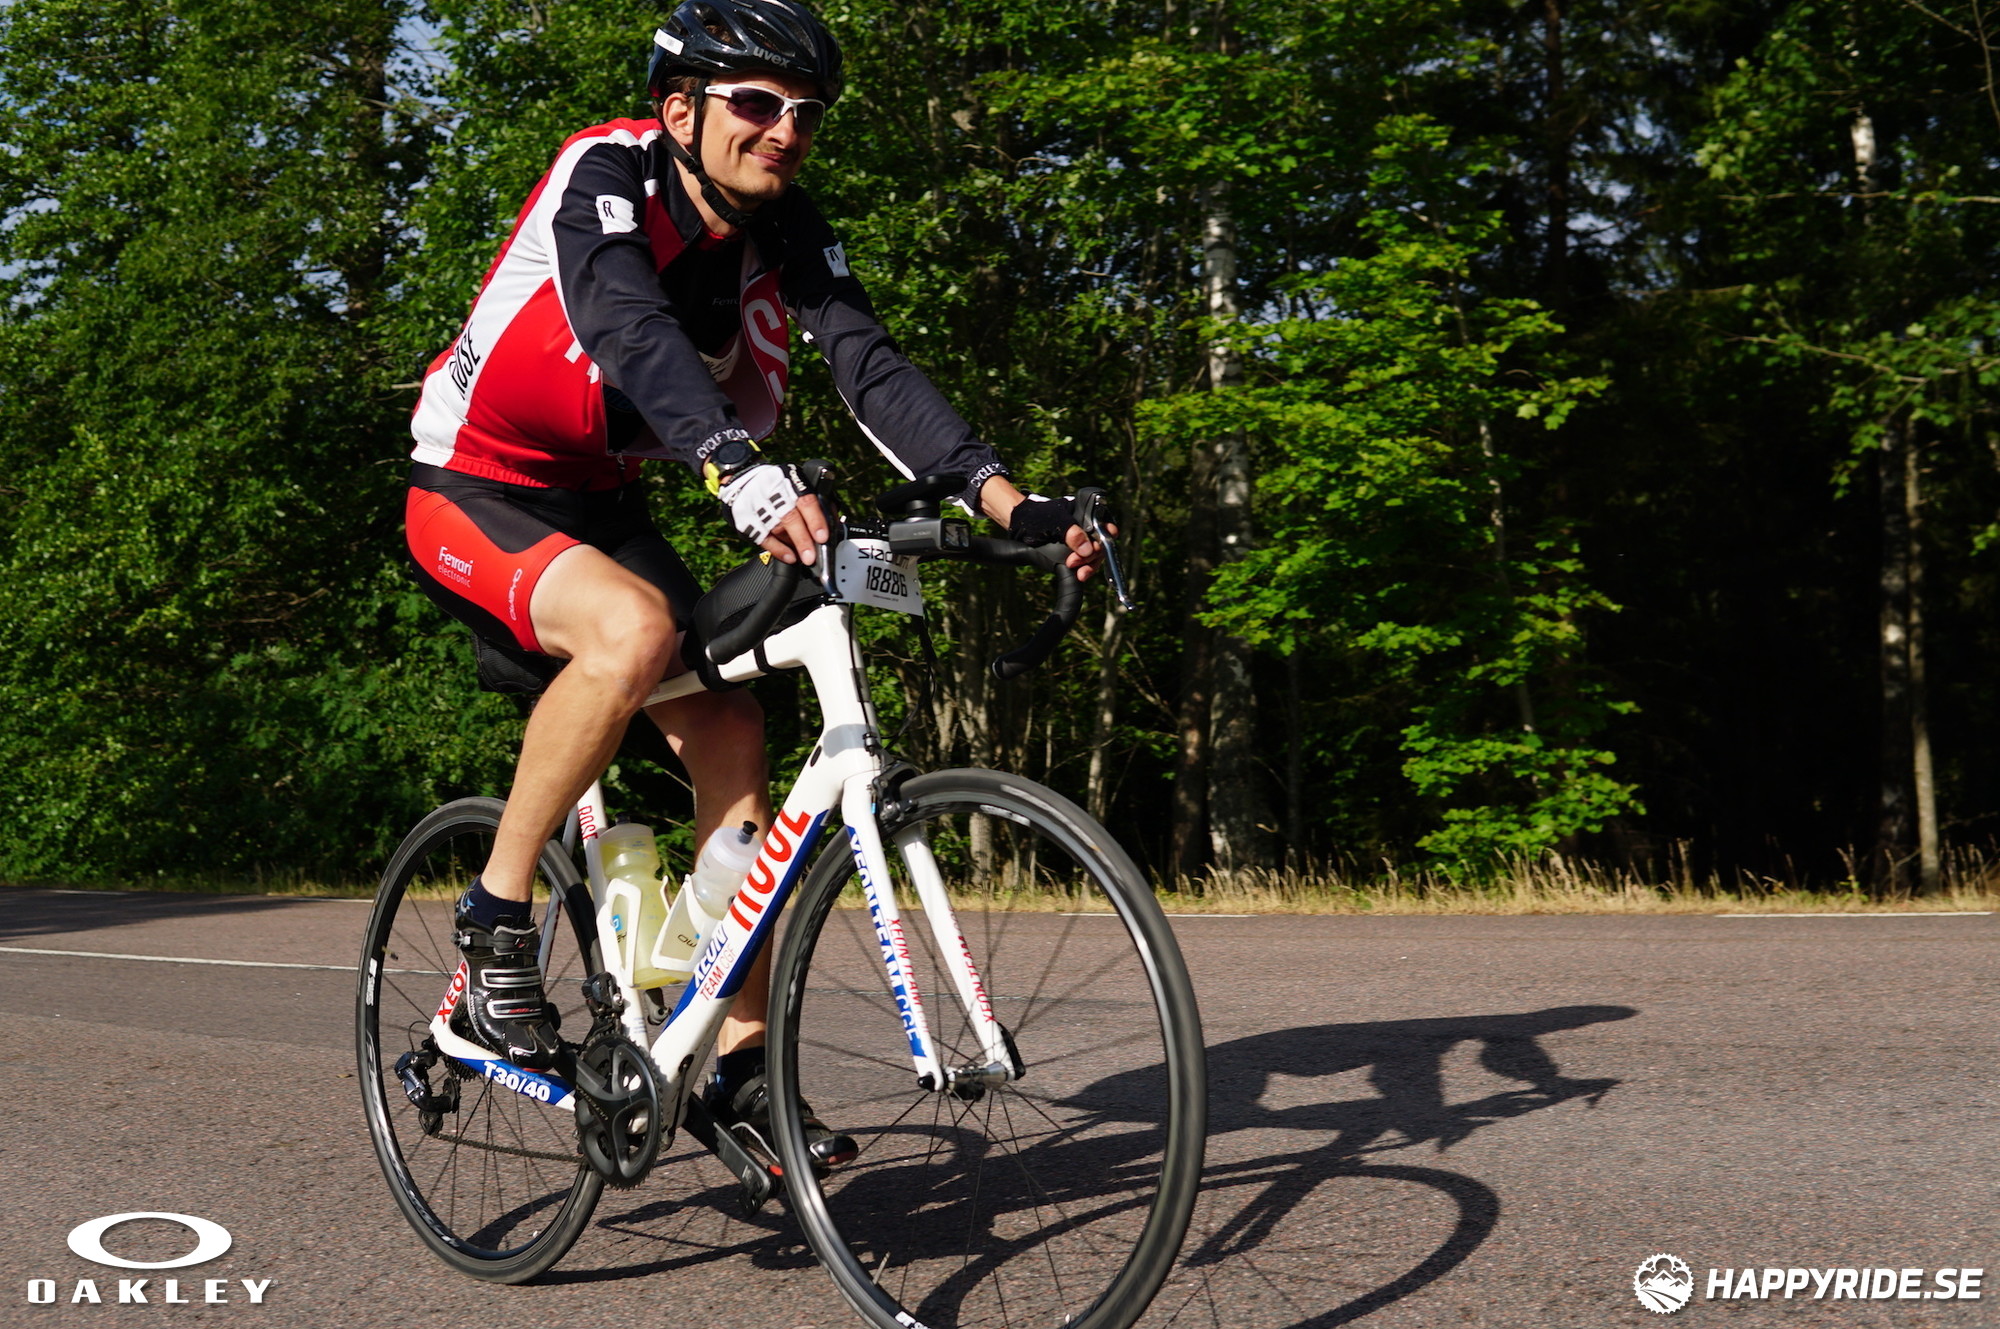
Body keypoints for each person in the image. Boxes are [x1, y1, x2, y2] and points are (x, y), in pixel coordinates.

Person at [400, 0, 1106, 1165]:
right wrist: (737, 469)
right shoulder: (605, 174)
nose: (784, 130)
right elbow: (625, 323)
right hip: (472, 485)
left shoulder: (784, 227)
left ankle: (733, 1065)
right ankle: (496, 922)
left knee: (733, 725)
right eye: (756, 103)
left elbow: (871, 368)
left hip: (602, 503)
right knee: (631, 634)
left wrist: (1008, 504)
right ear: (680, 111)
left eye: (805, 113)